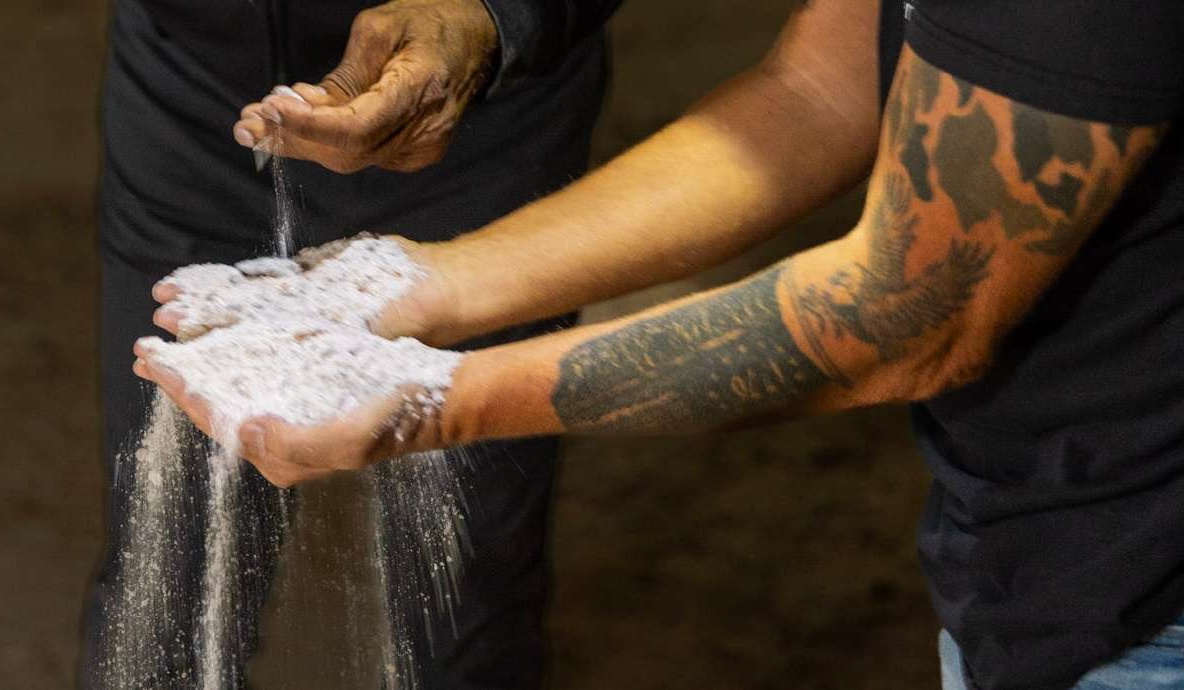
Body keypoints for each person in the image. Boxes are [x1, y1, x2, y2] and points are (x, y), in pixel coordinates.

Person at [140, 1, 1184, 688]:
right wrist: (428, 283)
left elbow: (912, 314)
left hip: (1148, 594)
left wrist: (438, 396)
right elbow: (822, 92)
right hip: (1039, 521)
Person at [82, 0, 622, 687]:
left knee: (460, 575)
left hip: (476, 105)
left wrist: (498, 17)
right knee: (166, 565)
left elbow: (798, 106)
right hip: (196, 83)